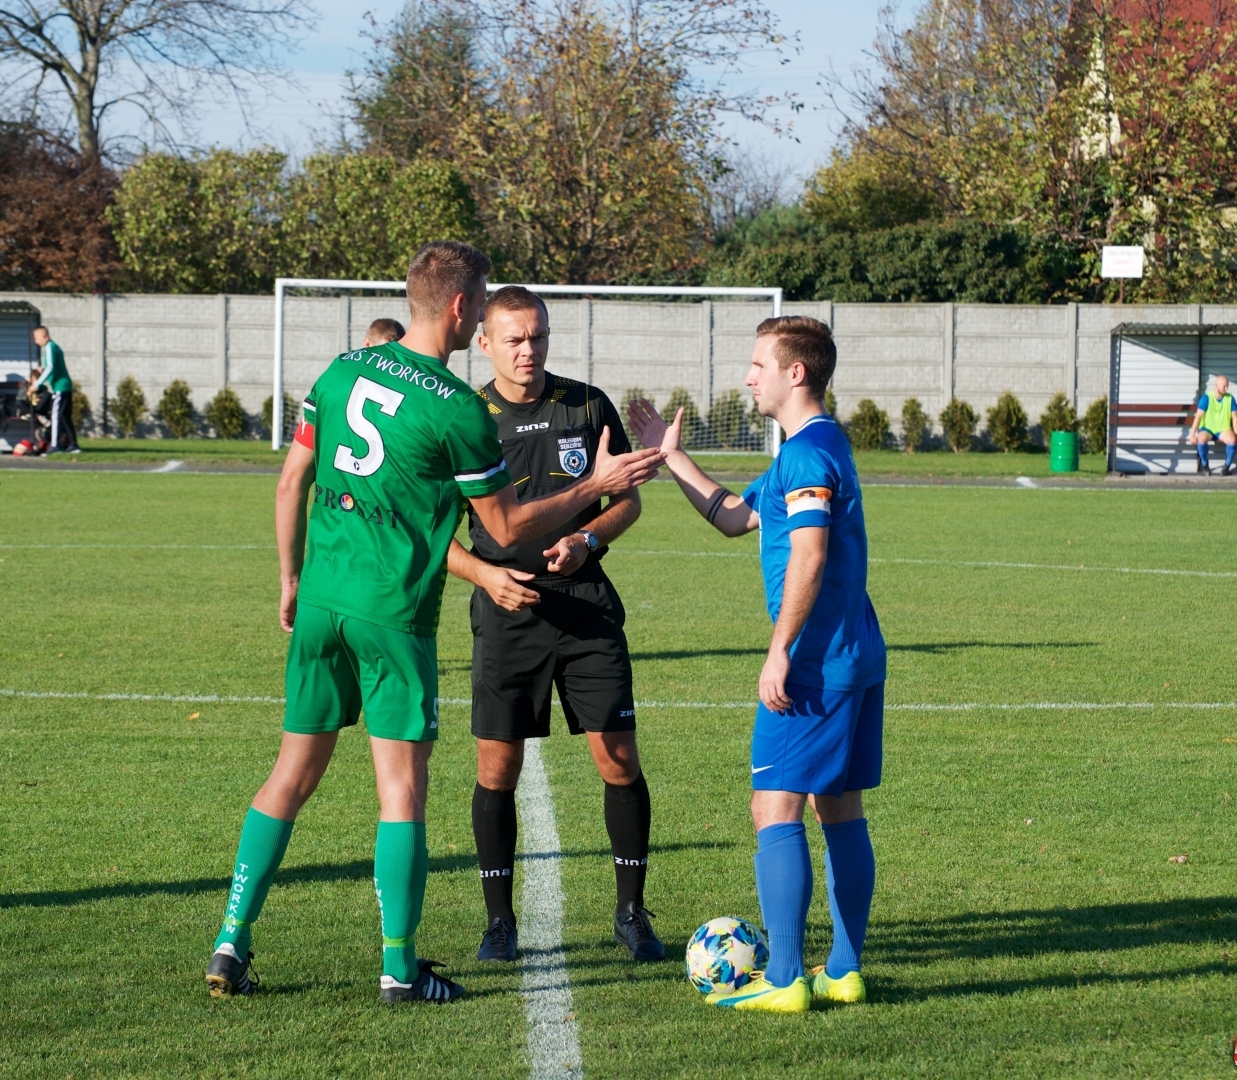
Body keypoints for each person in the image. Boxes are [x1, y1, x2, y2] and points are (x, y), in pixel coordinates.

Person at [202, 241, 663, 1004]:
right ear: (459, 311)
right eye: (482, 308)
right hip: (392, 615)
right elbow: (509, 526)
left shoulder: (342, 368)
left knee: (289, 775)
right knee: (401, 792)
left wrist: (289, 578)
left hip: (320, 598)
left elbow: (292, 480)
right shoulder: (455, 407)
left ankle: (230, 940)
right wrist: (601, 484)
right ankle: (398, 966)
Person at [626, 315, 886, 1014]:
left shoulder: (806, 456)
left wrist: (778, 652)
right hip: (855, 654)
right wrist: (669, 457)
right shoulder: (815, 446)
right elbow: (736, 518)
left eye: (757, 364)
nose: (748, 376)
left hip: (814, 663)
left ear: (794, 372)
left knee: (773, 807)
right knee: (839, 809)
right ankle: (843, 970)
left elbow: (808, 553)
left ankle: (784, 980)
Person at [444, 286, 661, 965]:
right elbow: (425, 533)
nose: (527, 349)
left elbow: (625, 503)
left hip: (586, 606)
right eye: (512, 338)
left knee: (617, 759)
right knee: (496, 769)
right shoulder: (459, 417)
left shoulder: (586, 404)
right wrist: (485, 575)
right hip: (505, 614)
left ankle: (630, 913)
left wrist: (587, 541)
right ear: (483, 343)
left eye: (537, 336)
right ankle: (499, 923)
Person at [31, 326, 79, 454]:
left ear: (44, 336)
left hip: (60, 387)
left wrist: (38, 383)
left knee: (56, 416)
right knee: (65, 417)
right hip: (65, 385)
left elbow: (50, 367)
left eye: (36, 338)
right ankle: (73, 444)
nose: (35, 341)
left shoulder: (49, 347)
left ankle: (55, 445)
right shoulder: (55, 347)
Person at [1191, 374, 1237, 476]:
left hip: (1223, 429)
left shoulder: (1230, 398)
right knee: (1201, 439)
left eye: (1227, 386)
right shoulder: (1206, 398)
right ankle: (1204, 464)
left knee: (1233, 440)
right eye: (1224, 386)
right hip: (1207, 429)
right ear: (1216, 385)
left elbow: (1235, 418)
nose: (1226, 388)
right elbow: (1198, 417)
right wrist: (1192, 435)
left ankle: (1226, 466)